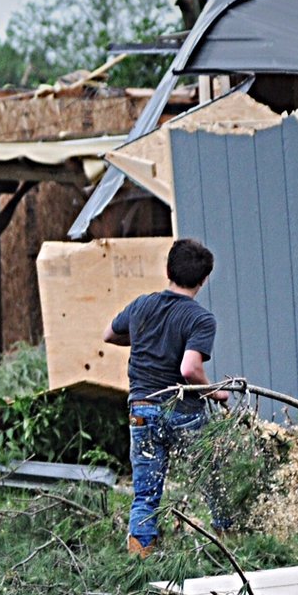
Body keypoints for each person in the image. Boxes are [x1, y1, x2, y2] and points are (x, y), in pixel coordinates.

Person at [101, 237, 231, 556]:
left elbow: (110, 334)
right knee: (214, 479)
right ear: (203, 280)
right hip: (182, 410)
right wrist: (216, 392)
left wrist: (146, 338)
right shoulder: (200, 319)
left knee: (145, 492)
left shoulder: (142, 305)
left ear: (168, 270)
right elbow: (189, 369)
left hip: (142, 408)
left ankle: (140, 561)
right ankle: (229, 546)